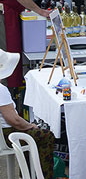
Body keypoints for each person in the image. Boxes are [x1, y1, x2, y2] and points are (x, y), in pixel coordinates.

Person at [0, 49, 56, 178]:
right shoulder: (1, 90)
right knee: (46, 135)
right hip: (6, 134)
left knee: (30, 135)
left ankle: (28, 173)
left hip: (4, 132)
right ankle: (43, 175)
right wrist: (30, 126)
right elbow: (14, 120)